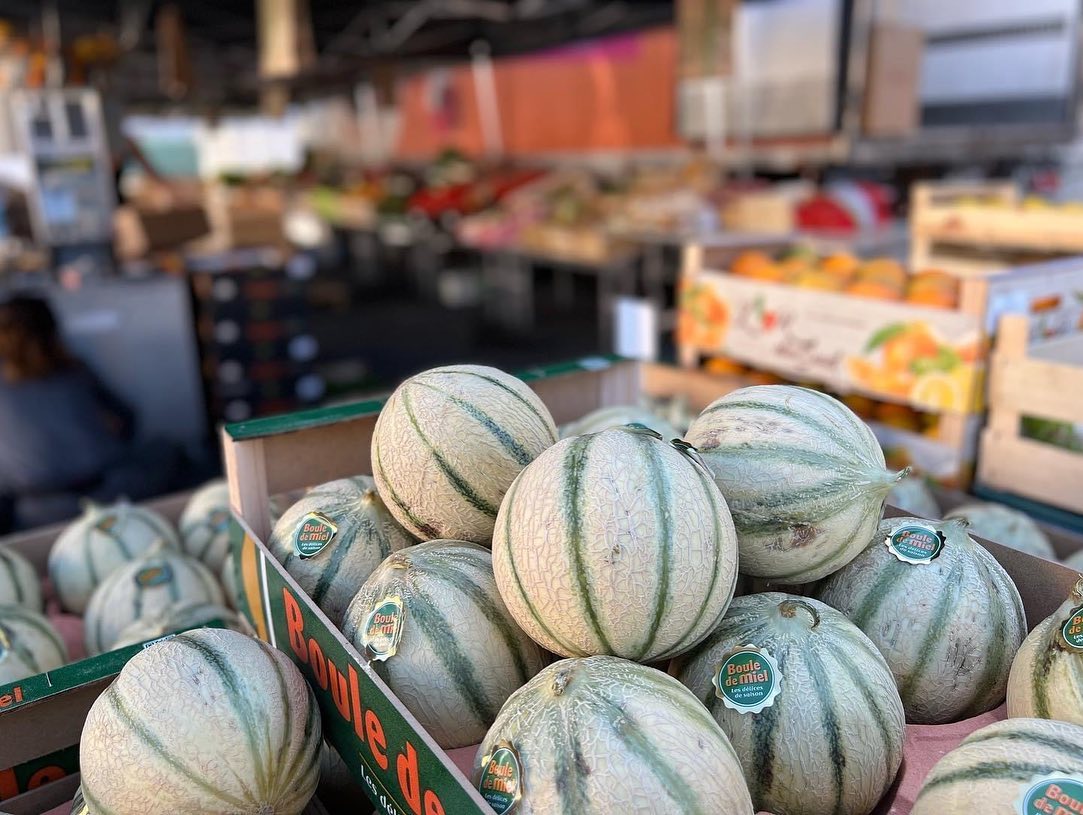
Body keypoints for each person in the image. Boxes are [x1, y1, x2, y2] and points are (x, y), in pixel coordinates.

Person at [0, 295, 174, 530]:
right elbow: (127, 418)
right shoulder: (73, 370)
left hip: (37, 513)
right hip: (112, 496)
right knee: (167, 448)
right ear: (53, 329)